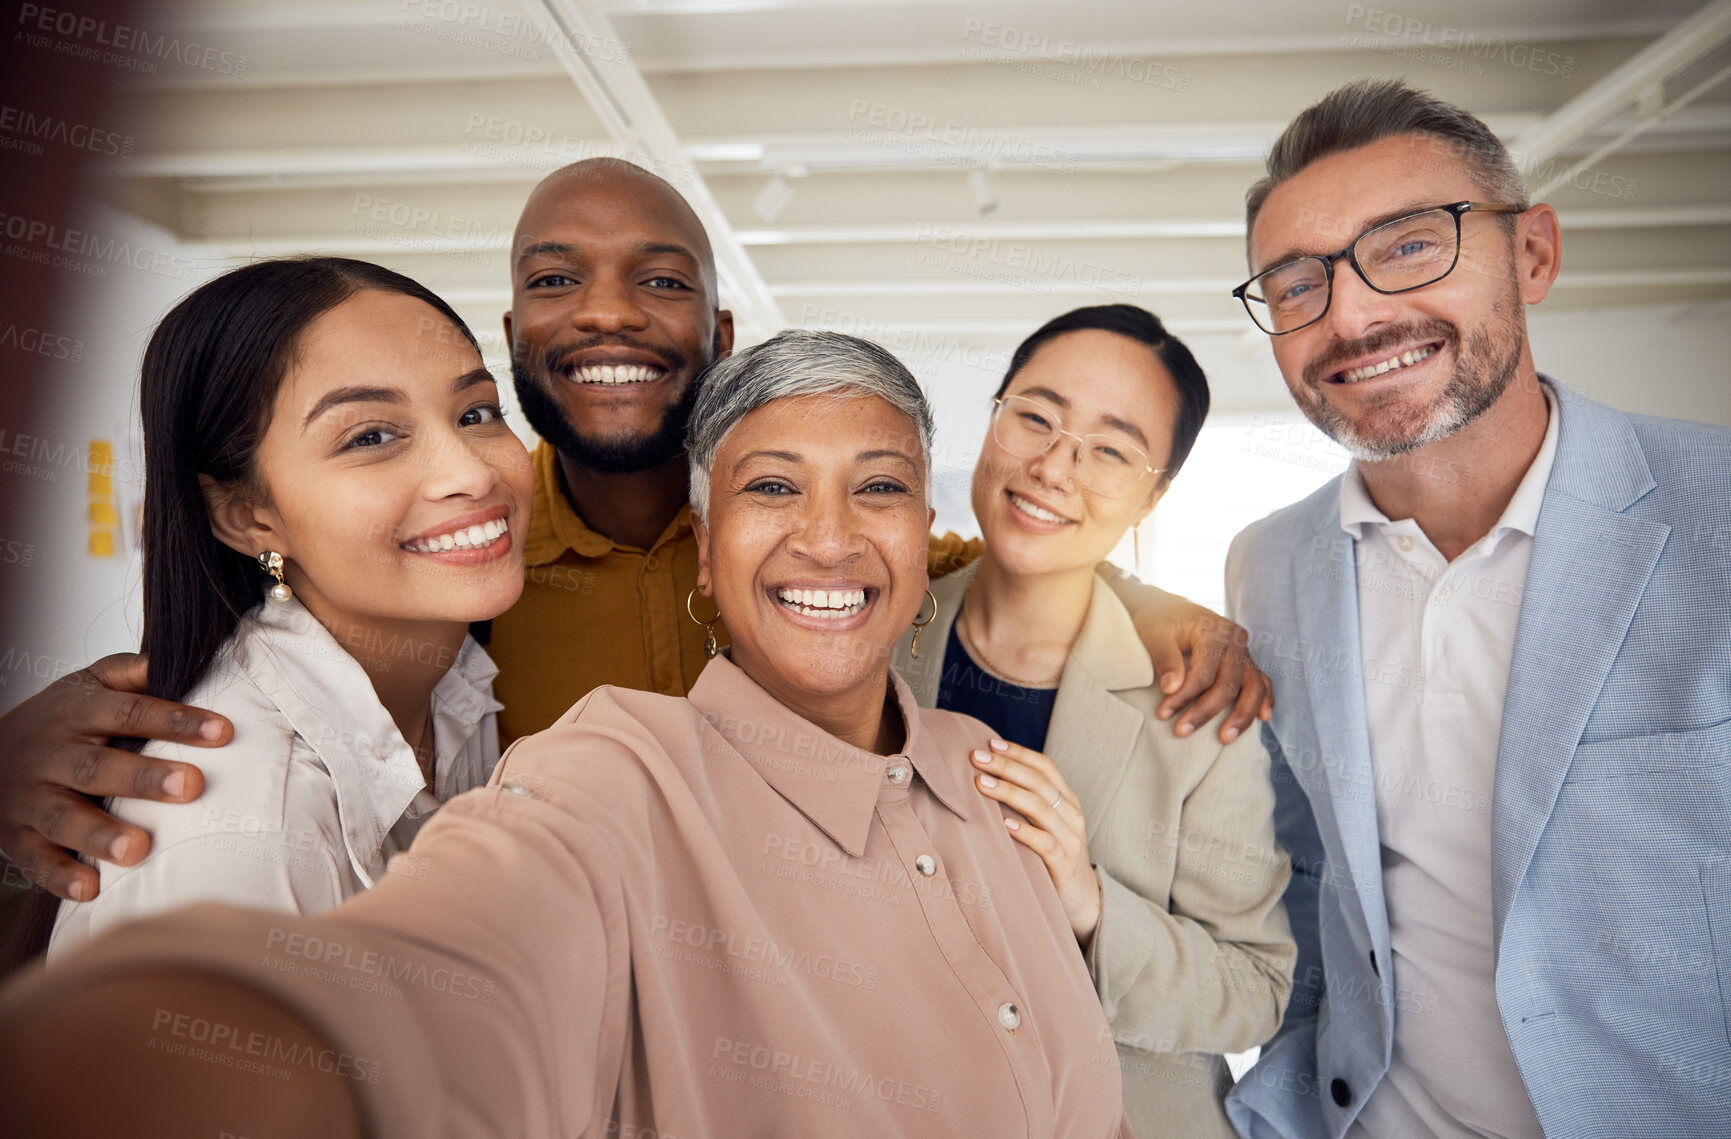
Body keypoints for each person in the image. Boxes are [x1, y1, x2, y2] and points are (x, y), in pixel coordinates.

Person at [0, 159, 1273, 911]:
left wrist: (1170, 615)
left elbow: (1015, 569)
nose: (608, 316)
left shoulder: (829, 561)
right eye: (556, 281)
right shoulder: (468, 576)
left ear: (720, 337)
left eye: (662, 280)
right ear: (514, 339)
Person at [1, 330, 1136, 1139]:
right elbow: (465, 961)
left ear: (924, 532)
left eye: (878, 488)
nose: (830, 539)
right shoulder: (610, 775)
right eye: (774, 489)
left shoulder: (996, 784)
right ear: (704, 546)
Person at [1221, 79, 1731, 1139]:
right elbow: (1313, 887)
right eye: (1297, 284)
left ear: (1533, 255)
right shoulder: (1267, 567)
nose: (1352, 316)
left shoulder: (1715, 514)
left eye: (1408, 245)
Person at [43, 257, 534, 960]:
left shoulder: (451, 685)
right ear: (247, 517)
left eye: (476, 412)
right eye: (371, 436)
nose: (472, 470)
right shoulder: (243, 831)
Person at [892, 304, 1295, 1138]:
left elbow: (1255, 990)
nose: (1053, 467)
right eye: (1033, 417)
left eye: (1110, 449)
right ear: (993, 417)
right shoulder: (872, 641)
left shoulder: (1200, 700)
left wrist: (1086, 904)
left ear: (1154, 494)